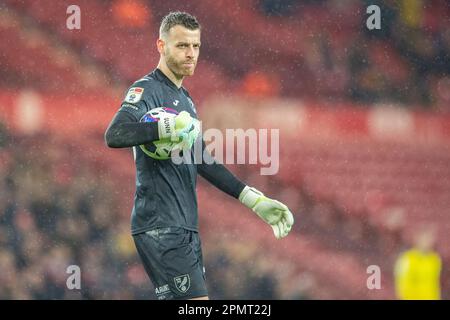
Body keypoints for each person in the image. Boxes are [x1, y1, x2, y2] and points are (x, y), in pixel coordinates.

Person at [104, 11, 294, 300]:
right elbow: (115, 134)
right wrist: (162, 127)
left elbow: (201, 159)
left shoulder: (186, 100)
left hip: (183, 227)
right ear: (161, 46)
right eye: (182, 46)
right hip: (161, 224)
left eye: (195, 46)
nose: (191, 53)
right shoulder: (146, 90)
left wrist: (253, 199)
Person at [394, 225, 442, 300]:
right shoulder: (407, 259)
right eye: (424, 238)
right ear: (417, 239)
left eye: (429, 238)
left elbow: (435, 285)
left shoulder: (435, 260)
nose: (427, 241)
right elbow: (401, 284)